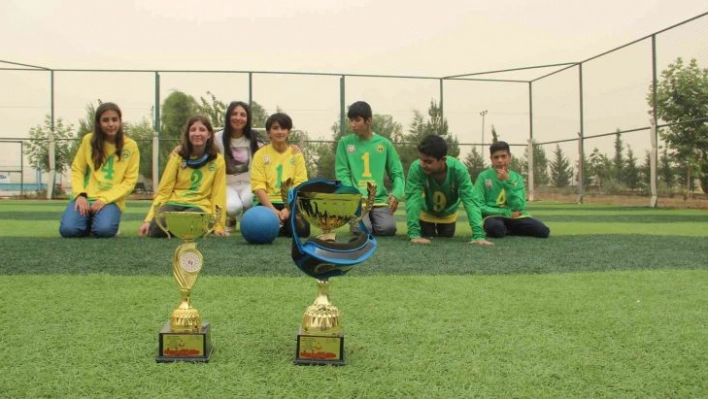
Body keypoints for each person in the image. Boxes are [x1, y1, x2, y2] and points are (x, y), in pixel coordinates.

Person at [59, 102, 139, 238]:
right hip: (86, 197)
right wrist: (80, 195)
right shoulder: (88, 140)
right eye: (105, 120)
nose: (111, 124)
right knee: (68, 231)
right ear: (98, 123)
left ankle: (103, 220)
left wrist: (105, 199)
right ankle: (87, 221)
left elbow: (129, 182)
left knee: (104, 231)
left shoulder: (130, 146)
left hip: (110, 200)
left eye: (114, 119)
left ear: (120, 121)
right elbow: (78, 169)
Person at [139, 116, 227, 237]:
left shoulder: (218, 160)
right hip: (175, 203)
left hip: (199, 206)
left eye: (202, 129)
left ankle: (182, 230)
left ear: (209, 134)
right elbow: (164, 191)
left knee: (190, 221)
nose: (197, 133)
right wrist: (148, 220)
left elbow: (218, 194)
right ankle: (180, 230)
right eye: (193, 130)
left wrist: (219, 226)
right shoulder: (177, 156)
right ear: (187, 134)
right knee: (156, 228)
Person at [405, 135, 493, 246]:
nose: (423, 164)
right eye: (421, 160)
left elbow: (470, 200)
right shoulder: (416, 168)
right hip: (426, 214)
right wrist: (414, 234)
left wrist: (478, 235)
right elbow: (413, 198)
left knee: (446, 240)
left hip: (448, 215)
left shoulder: (459, 170)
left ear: (443, 159)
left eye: (428, 161)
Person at [335, 101, 404, 236]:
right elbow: (342, 172)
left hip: (379, 200)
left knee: (388, 229)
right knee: (363, 229)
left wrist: (396, 193)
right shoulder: (344, 143)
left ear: (369, 121)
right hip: (357, 200)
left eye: (357, 120)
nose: (352, 125)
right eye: (350, 120)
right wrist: (352, 193)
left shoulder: (384, 144)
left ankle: (373, 220)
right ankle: (362, 221)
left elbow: (397, 173)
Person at [250, 112, 310, 237]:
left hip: (290, 202)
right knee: (256, 228)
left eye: (283, 128)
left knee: (302, 230)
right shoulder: (260, 154)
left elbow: (301, 184)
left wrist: (288, 209)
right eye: (275, 128)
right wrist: (272, 210)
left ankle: (279, 228)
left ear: (289, 132)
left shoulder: (296, 154)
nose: (280, 132)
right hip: (267, 203)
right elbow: (258, 185)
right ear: (268, 132)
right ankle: (275, 225)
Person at [474, 141, 550, 238]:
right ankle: (506, 229)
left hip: (516, 216)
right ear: (491, 159)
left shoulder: (517, 178)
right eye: (496, 157)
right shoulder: (483, 177)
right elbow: (478, 206)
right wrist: (506, 213)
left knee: (543, 231)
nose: (500, 160)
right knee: (496, 228)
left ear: (510, 157)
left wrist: (507, 182)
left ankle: (507, 229)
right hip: (493, 216)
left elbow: (519, 206)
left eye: (503, 156)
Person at [214, 101, 265, 233]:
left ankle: (248, 220)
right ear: (228, 117)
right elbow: (201, 149)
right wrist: (180, 147)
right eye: (234, 114)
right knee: (233, 207)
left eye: (243, 115)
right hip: (227, 184)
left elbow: (270, 153)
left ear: (247, 119)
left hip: (250, 183)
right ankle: (230, 218)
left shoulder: (255, 138)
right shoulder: (217, 138)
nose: (238, 118)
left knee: (249, 202)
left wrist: (292, 148)